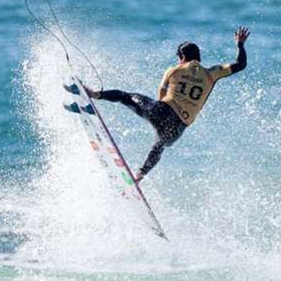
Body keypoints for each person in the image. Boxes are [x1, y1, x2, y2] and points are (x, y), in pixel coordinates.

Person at [84, 27, 250, 182]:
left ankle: (94, 94)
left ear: (182, 57)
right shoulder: (211, 73)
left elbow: (161, 95)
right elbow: (240, 64)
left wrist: (157, 114)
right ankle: (139, 175)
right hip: (178, 128)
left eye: (179, 58)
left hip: (163, 111)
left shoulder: (174, 70)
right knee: (160, 144)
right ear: (198, 58)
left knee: (125, 96)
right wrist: (240, 45)